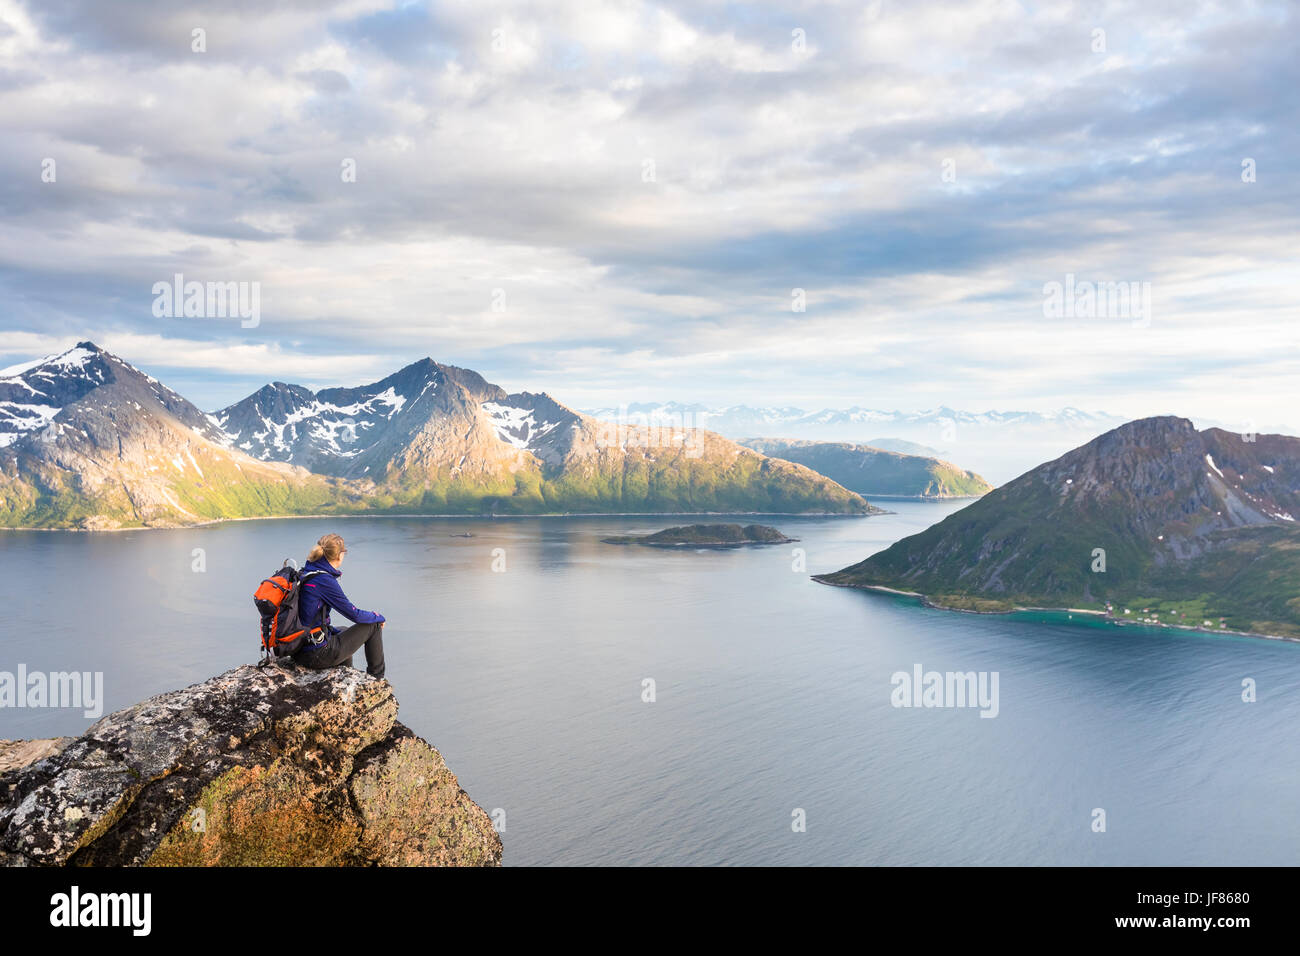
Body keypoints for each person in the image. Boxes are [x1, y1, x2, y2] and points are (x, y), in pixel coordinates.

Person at [293, 533, 387, 679]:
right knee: (372, 625)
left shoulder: (307, 572)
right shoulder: (324, 580)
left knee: (343, 631)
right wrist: (378, 617)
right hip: (314, 655)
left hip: (299, 649)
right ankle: (377, 679)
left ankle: (345, 675)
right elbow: (354, 614)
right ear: (340, 555)